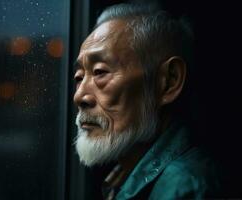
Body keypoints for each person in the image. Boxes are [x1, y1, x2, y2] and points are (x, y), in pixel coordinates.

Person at [73, 3, 220, 200]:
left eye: (100, 72)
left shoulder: (184, 186)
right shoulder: (123, 175)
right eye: (79, 77)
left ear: (169, 81)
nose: (79, 96)